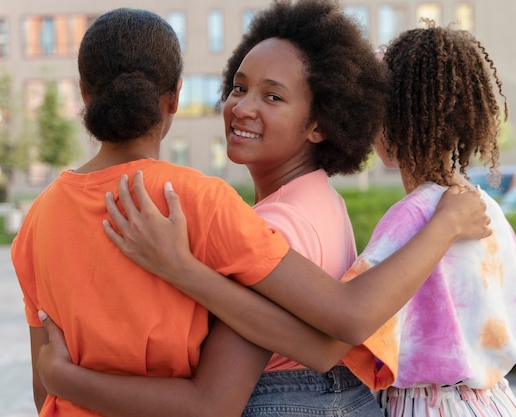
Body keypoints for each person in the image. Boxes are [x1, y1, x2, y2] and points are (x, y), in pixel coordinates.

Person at [27, 3, 489, 417]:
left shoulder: (39, 221)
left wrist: (63, 378)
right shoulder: (315, 197)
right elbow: (327, 343)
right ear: (174, 98)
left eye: (272, 96)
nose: (241, 107)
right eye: (238, 87)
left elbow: (223, 396)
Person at [339, 21, 516, 416]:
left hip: (427, 405)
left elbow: (350, 317)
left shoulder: (412, 216)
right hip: (496, 402)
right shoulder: (490, 210)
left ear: (391, 119)